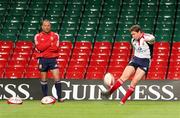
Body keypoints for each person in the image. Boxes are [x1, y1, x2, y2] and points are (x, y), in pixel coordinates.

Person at [101, 25, 155, 105]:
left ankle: (122, 102)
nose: (133, 36)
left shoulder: (147, 38)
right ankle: (109, 93)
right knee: (123, 77)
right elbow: (136, 49)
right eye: (132, 34)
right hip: (135, 59)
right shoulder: (133, 40)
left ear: (139, 32)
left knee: (134, 82)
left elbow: (153, 39)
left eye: (134, 34)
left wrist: (143, 37)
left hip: (144, 62)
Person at [34, 19, 63, 102]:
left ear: (50, 26)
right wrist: (50, 42)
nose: (47, 27)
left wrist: (45, 47)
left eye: (48, 25)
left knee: (57, 78)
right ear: (42, 26)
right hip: (42, 60)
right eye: (45, 25)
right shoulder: (37, 36)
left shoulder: (55, 35)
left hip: (53, 59)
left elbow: (55, 48)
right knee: (43, 79)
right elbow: (39, 48)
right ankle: (45, 97)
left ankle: (60, 97)